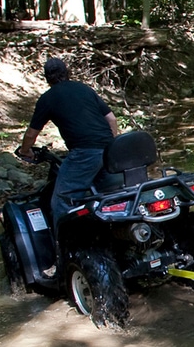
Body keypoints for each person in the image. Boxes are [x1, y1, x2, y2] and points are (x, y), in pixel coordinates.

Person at [17, 57, 119, 232]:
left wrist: (25, 151)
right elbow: (111, 119)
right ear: (67, 72)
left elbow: (32, 133)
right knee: (111, 195)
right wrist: (111, 145)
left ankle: (63, 252)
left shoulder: (48, 98)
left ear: (47, 78)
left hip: (84, 153)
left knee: (62, 202)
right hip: (109, 151)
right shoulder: (84, 89)